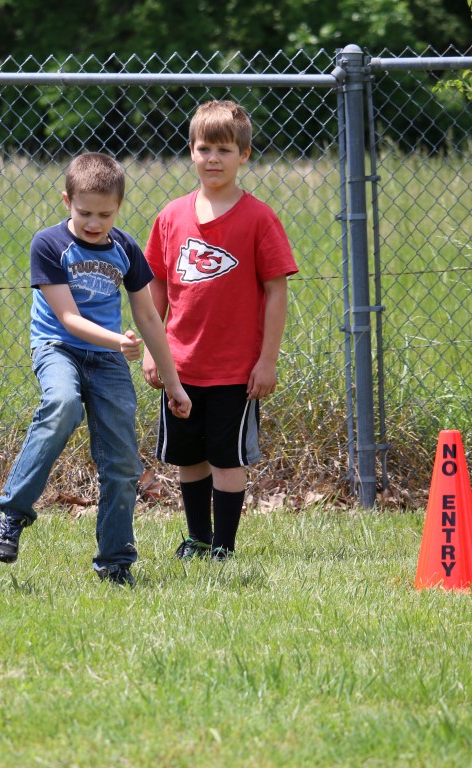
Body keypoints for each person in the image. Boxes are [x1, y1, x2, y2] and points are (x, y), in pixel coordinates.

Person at [0, 152, 191, 586]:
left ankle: (115, 561)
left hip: (107, 361)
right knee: (62, 404)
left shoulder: (125, 248)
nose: (94, 223)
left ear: (119, 207)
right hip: (59, 348)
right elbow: (68, 318)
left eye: (105, 214)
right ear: (67, 202)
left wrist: (174, 384)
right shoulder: (49, 244)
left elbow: (148, 317)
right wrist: (117, 340)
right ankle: (11, 514)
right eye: (85, 213)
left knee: (122, 461)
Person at [140, 100, 298, 561]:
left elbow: (276, 292)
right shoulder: (171, 216)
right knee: (189, 458)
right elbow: (156, 288)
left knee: (227, 459)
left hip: (235, 370)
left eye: (224, 150)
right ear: (191, 151)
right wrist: (153, 351)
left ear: (243, 155)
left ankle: (224, 546)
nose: (213, 159)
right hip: (181, 367)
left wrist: (267, 360)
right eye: (204, 148)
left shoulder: (258, 218)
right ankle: (198, 538)